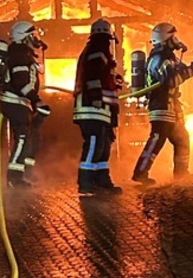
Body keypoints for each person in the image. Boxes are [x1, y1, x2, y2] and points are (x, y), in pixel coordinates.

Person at [131, 22, 193, 185]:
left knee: (182, 139)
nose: (177, 40)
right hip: (161, 105)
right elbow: (173, 80)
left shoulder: (168, 58)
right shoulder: (159, 59)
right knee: (157, 139)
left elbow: (187, 70)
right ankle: (140, 173)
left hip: (171, 105)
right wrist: (188, 71)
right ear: (166, 39)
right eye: (174, 37)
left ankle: (181, 173)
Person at [72, 18, 123, 196]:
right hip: (91, 108)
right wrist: (95, 98)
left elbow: (100, 76)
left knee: (103, 146)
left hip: (102, 110)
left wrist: (114, 81)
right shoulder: (97, 50)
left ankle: (102, 180)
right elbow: (92, 77)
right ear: (105, 36)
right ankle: (85, 182)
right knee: (94, 144)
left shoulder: (99, 52)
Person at [0, 21, 51, 188]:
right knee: (22, 138)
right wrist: (37, 100)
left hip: (22, 102)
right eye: (32, 35)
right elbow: (21, 82)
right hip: (14, 102)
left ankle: (26, 174)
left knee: (31, 138)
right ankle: (14, 178)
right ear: (24, 37)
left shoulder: (23, 54)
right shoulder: (19, 55)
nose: (35, 39)